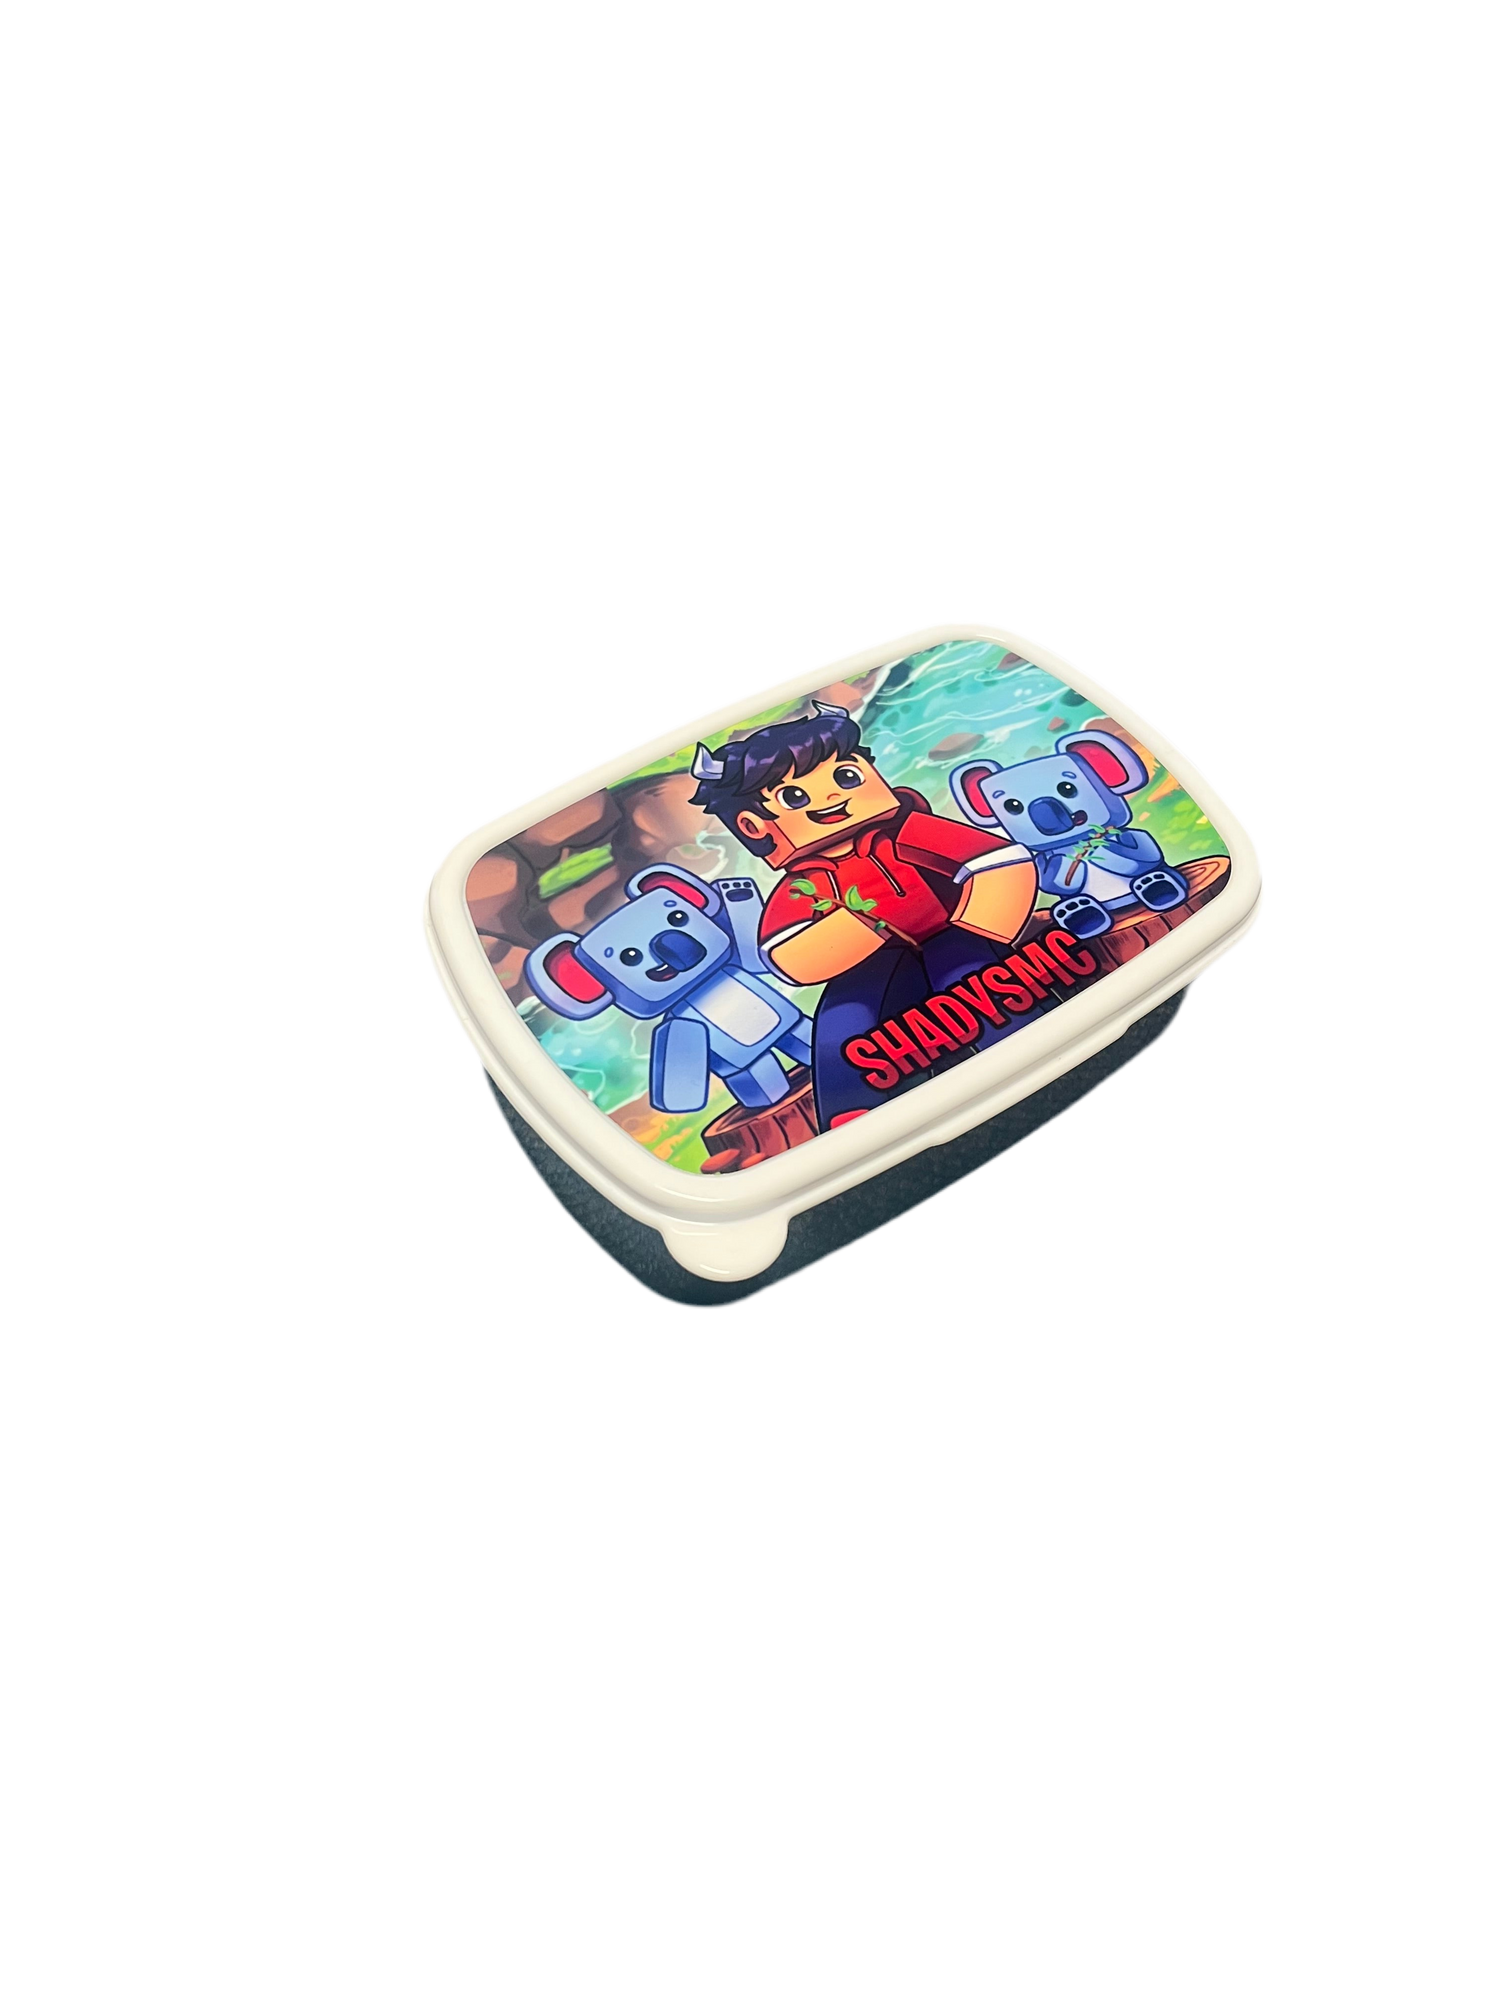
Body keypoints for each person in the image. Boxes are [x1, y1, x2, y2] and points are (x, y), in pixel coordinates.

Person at [689, 702, 1040, 1130]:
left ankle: (1022, 1039)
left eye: (847, 777)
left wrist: (983, 921)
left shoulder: (909, 830)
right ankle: (851, 1110)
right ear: (753, 825)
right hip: (871, 962)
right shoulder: (806, 883)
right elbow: (786, 949)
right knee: (843, 1018)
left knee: (972, 974)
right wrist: (848, 936)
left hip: (950, 932)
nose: (834, 797)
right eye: (795, 797)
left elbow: (996, 862)